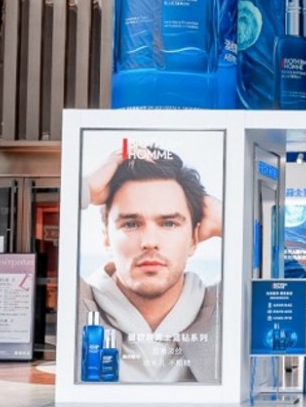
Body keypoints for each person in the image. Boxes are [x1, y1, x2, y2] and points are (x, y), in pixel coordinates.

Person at [79, 143, 222, 383]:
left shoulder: (224, 308)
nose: (149, 242)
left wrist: (225, 217)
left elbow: (280, 258)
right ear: (106, 237)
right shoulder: (78, 306)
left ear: (194, 238)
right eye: (131, 224)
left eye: (169, 223)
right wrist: (87, 188)